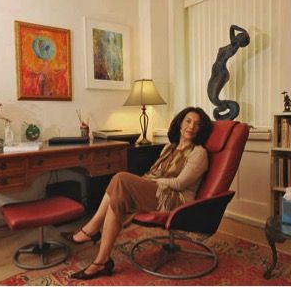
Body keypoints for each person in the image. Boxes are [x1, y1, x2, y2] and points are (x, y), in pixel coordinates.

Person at [61, 106, 213, 280]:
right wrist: (143, 183)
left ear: (201, 129)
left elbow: (178, 184)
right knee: (119, 195)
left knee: (120, 178)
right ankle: (101, 260)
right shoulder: (168, 148)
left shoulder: (199, 153)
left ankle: (92, 230)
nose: (192, 126)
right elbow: (153, 173)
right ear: (180, 123)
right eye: (188, 121)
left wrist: (147, 183)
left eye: (197, 124)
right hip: (159, 191)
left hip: (176, 199)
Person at [207, 25, 250, 121]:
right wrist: (244, 30)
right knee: (211, 96)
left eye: (240, 36)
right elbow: (232, 27)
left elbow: (232, 28)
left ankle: (225, 107)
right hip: (216, 70)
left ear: (240, 40)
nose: (237, 36)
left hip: (221, 72)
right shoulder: (233, 43)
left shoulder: (234, 47)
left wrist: (244, 32)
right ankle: (224, 109)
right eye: (239, 35)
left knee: (214, 98)